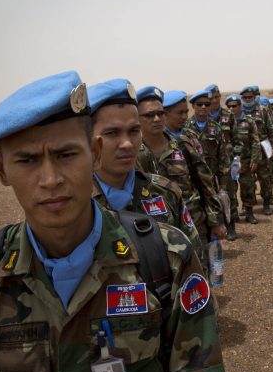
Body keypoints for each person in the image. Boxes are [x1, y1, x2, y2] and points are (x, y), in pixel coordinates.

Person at [0, 71, 227, 372]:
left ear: (95, 153)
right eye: (26, 160)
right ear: (1, 170)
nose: (50, 179)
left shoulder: (166, 258)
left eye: (66, 154)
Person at [88, 78, 205, 262]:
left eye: (134, 131)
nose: (127, 144)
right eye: (112, 133)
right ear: (89, 139)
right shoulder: (74, 204)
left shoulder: (166, 192)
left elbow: (194, 262)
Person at [136, 88, 226, 250]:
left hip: (193, 225)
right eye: (149, 115)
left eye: (160, 113)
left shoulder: (184, 145)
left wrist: (215, 222)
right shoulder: (132, 154)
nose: (156, 119)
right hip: (154, 233)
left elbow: (206, 184)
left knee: (200, 272)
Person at [206, 84, 239, 240]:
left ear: (220, 97)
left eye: (216, 97)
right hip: (208, 167)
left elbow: (237, 139)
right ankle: (217, 226)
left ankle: (231, 226)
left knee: (229, 196)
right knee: (211, 197)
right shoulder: (202, 117)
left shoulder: (228, 115)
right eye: (210, 98)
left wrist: (236, 159)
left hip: (227, 164)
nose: (213, 101)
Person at [239, 86, 273, 216]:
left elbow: (271, 129)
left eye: (250, 97)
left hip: (263, 146)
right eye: (245, 97)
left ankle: (266, 203)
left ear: (255, 97)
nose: (248, 99)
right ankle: (246, 205)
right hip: (245, 151)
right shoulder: (239, 112)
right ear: (242, 98)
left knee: (265, 177)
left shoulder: (263, 110)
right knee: (245, 180)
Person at [225, 94, 262, 224]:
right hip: (229, 162)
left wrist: (255, 159)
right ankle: (233, 215)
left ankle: (249, 213)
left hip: (245, 161)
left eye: (234, 106)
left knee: (248, 187)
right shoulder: (224, 123)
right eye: (228, 106)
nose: (231, 108)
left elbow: (256, 141)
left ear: (240, 106)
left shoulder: (249, 121)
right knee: (231, 190)